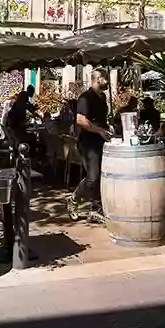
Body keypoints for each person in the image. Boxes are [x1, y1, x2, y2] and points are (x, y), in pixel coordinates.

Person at [68, 71, 112, 221]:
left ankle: (95, 208)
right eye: (106, 78)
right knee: (92, 177)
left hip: (101, 141)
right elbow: (80, 120)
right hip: (88, 143)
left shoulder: (103, 97)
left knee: (100, 175)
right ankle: (74, 199)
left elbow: (100, 119)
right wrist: (99, 130)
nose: (109, 82)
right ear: (98, 79)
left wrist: (107, 128)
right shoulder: (85, 98)